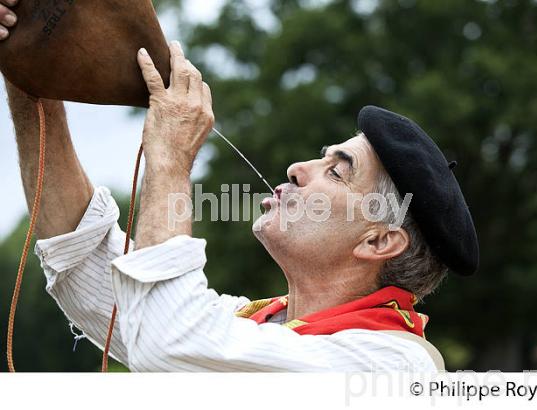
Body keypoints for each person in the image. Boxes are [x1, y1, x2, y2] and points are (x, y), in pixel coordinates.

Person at [2, 2, 478, 372]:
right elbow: (86, 262)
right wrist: (25, 66)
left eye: (338, 171)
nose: (297, 168)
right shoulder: (248, 325)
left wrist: (169, 158)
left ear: (378, 240)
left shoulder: (391, 366)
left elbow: (168, 339)